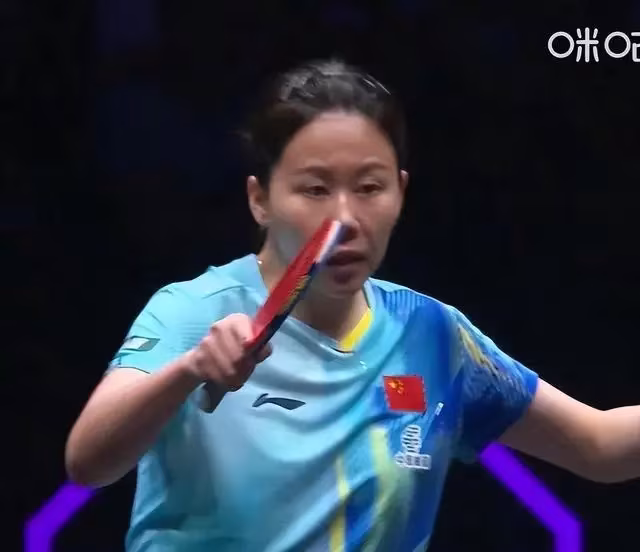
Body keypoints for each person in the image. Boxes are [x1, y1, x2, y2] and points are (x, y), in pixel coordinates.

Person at [65, 59, 639, 552]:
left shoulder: (432, 334)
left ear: (400, 193)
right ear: (260, 199)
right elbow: (88, 463)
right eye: (315, 189)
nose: (345, 219)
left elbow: (600, 446)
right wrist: (189, 370)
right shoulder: (195, 310)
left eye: (369, 188)